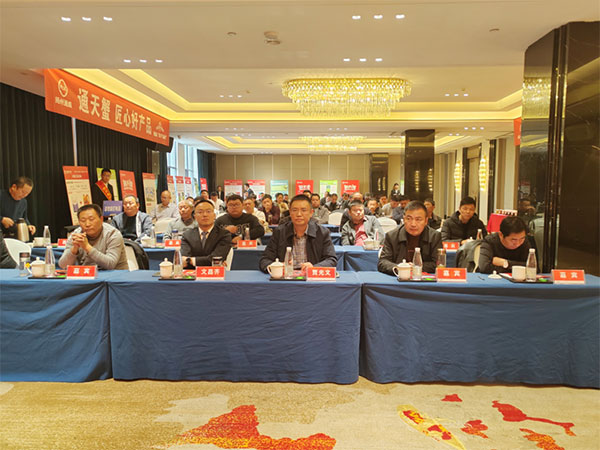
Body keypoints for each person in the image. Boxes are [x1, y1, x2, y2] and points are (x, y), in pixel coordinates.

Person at [259, 194, 337, 273]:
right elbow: (264, 260)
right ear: (290, 212)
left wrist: (314, 268)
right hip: (286, 277)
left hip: (311, 278)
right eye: (295, 210)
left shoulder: (322, 233)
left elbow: (331, 260)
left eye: (303, 210)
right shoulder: (279, 232)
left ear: (311, 213)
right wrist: (277, 267)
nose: (299, 214)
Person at [378, 200, 442, 275]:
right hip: (398, 278)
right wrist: (400, 268)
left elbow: (438, 264)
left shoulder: (435, 237)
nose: (413, 224)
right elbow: (383, 262)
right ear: (404, 219)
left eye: (418, 219)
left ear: (426, 221)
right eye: (409, 219)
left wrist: (416, 267)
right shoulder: (392, 236)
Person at [58, 204, 128, 270]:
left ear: (101, 219)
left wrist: (87, 247)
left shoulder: (113, 234)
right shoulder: (76, 235)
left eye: (91, 219)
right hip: (88, 275)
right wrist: (74, 249)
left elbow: (110, 264)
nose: (87, 224)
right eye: (83, 220)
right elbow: (63, 265)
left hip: (115, 275)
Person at [180, 199, 232, 267]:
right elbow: (183, 261)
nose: (205, 215)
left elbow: (216, 259)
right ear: (195, 216)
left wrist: (190, 261)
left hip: (214, 273)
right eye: (200, 212)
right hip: (193, 273)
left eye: (208, 211)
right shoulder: (187, 235)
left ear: (214, 215)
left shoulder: (224, 234)